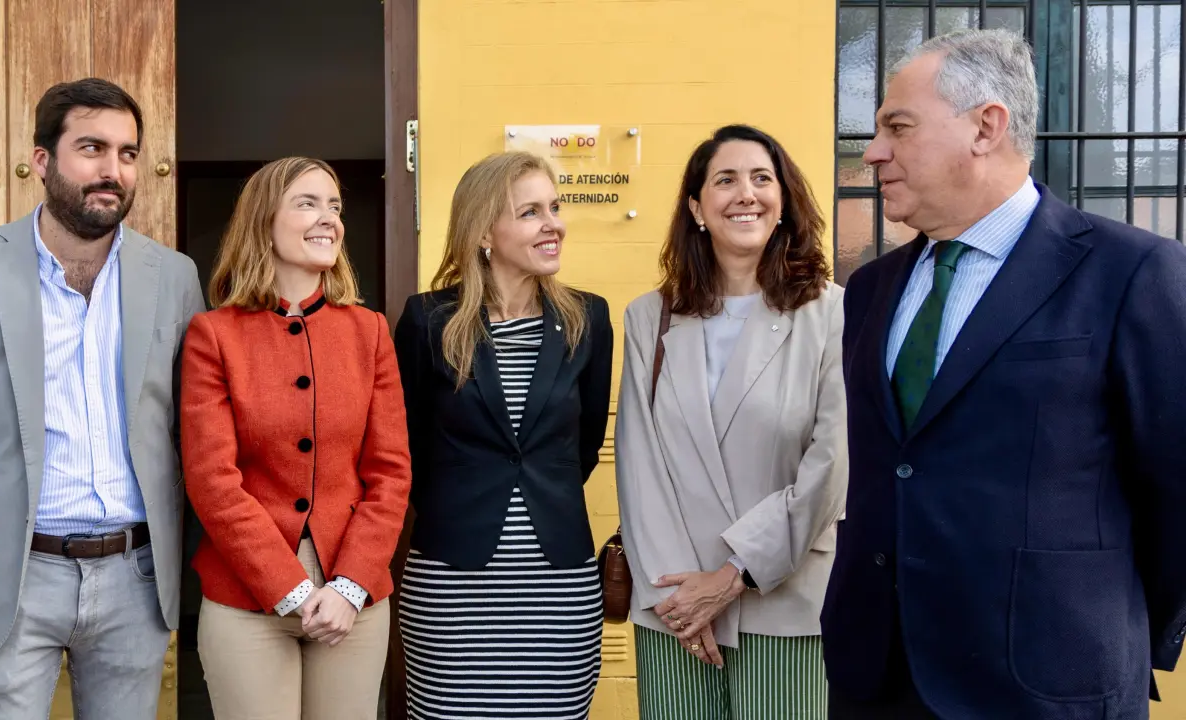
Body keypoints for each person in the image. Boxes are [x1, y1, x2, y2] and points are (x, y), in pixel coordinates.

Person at [821, 28, 1186, 720]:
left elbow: (1174, 489)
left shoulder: (1132, 272)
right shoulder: (869, 289)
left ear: (986, 126)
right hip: (876, 676)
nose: (873, 153)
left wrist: (1117, 626)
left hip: (1046, 683)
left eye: (898, 127)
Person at [0, 78, 204, 718]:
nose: (112, 170)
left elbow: (189, 424)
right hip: (10, 573)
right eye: (92, 148)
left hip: (135, 575)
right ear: (43, 160)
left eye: (127, 153)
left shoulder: (174, 276)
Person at [613, 124, 847, 719]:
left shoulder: (832, 312)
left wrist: (734, 573)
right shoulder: (650, 318)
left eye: (761, 178)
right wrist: (680, 599)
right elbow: (639, 468)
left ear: (783, 201)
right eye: (726, 180)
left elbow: (832, 465)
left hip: (786, 600)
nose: (746, 193)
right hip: (675, 610)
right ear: (697, 207)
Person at [179, 156, 411, 719]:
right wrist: (291, 587)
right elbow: (212, 481)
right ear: (263, 222)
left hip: (353, 600)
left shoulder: (370, 331)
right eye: (307, 203)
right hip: (245, 597)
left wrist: (350, 585)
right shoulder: (214, 335)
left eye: (334, 206)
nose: (328, 218)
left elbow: (390, 473)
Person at [393, 150, 614, 720]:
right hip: (452, 582)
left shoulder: (589, 318)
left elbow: (584, 444)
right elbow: (404, 447)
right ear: (483, 232)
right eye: (530, 212)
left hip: (558, 586)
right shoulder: (428, 320)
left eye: (555, 208)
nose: (553, 224)